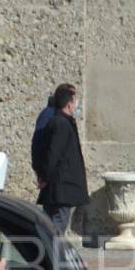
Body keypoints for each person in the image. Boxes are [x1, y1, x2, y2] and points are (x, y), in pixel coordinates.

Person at [32, 82, 89, 236]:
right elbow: (52, 155)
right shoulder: (60, 123)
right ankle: (52, 259)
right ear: (70, 103)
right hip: (60, 189)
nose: (76, 104)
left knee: (51, 229)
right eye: (75, 100)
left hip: (60, 188)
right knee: (56, 232)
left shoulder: (62, 122)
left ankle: (48, 258)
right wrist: (43, 177)